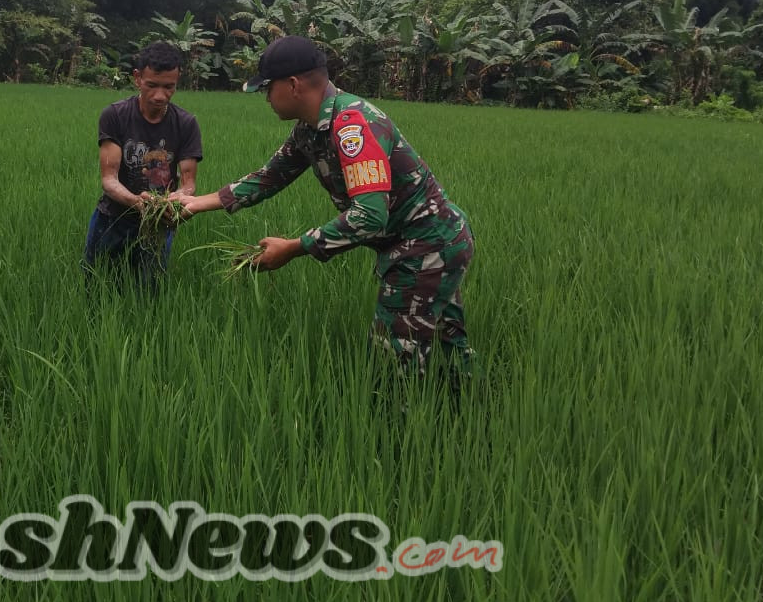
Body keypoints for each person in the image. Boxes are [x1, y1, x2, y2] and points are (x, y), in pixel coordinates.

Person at [182, 35, 474, 389]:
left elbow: (369, 216)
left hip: (426, 247)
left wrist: (293, 248)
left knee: (396, 358)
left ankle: (398, 432)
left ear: (292, 85)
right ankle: (465, 404)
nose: (266, 98)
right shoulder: (309, 129)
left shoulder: (352, 126)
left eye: (267, 88)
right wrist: (195, 204)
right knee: (446, 342)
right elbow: (269, 176)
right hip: (429, 242)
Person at [83, 41, 203, 289]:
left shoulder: (186, 124)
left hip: (158, 223)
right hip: (112, 218)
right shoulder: (115, 116)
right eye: (152, 85)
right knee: (96, 285)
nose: (160, 95)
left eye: (169, 87)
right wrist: (138, 202)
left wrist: (168, 203)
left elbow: (188, 184)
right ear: (137, 78)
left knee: (149, 291)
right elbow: (109, 179)